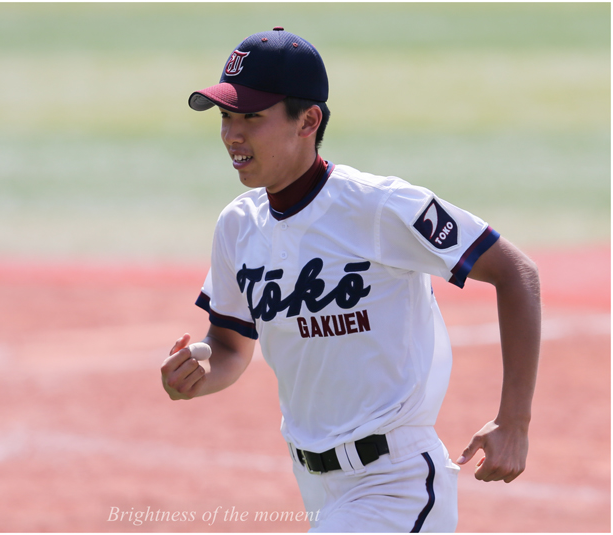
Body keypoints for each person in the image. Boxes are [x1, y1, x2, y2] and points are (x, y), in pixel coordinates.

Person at [160, 27, 540, 533]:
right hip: (315, 484)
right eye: (227, 116)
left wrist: (514, 421)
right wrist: (201, 371)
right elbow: (229, 344)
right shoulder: (237, 225)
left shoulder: (379, 206)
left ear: (308, 120)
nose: (233, 133)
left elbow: (516, 273)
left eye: (252, 116)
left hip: (397, 483)